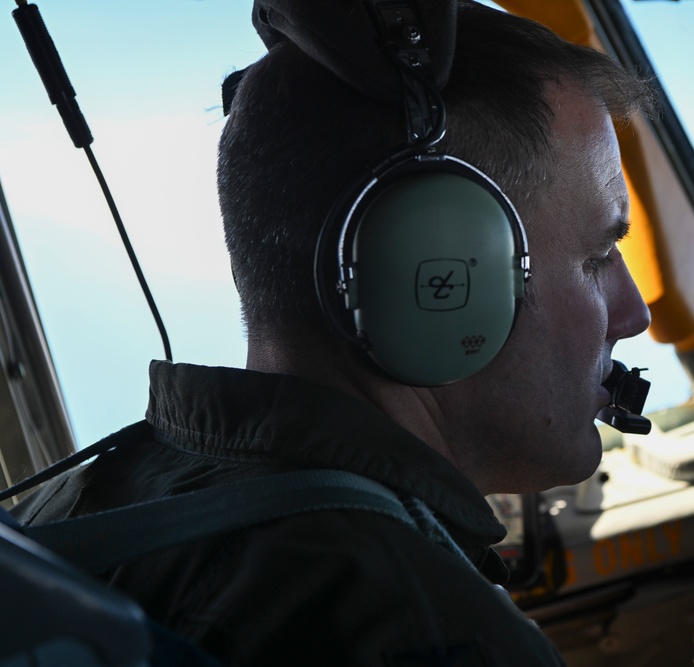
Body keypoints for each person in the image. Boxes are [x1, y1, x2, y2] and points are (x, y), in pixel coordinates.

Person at [13, 1, 653, 664]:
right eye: (597, 256)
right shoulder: (417, 627)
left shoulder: (84, 503)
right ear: (437, 270)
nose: (635, 313)